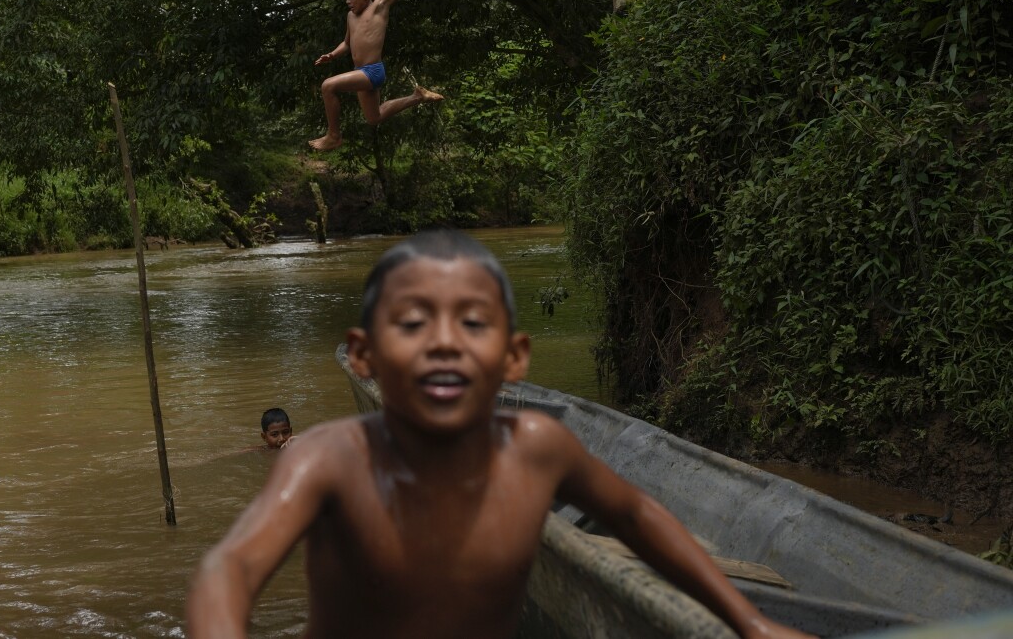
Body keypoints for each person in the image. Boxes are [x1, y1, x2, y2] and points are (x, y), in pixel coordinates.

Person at [187, 230, 811, 639]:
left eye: (472, 323)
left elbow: (638, 515)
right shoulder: (328, 459)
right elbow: (231, 567)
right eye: (411, 323)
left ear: (513, 359)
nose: (443, 343)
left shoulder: (536, 447)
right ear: (365, 357)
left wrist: (748, 622)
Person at [308, 0, 446, 152]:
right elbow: (347, 44)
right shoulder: (351, 17)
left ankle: (334, 136)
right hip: (360, 71)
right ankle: (417, 97)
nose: (347, 1)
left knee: (328, 86)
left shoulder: (380, 6)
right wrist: (332, 55)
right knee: (374, 117)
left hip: (372, 71)